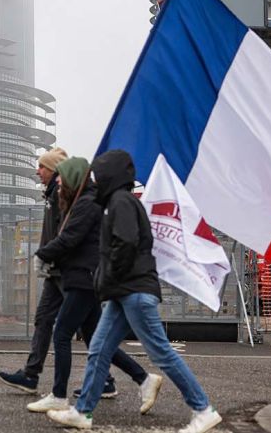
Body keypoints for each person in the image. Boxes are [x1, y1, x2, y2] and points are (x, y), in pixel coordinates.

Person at [47, 150, 222, 433]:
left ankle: (203, 409)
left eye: (99, 173)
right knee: (99, 350)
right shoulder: (118, 202)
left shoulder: (121, 202)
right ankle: (83, 412)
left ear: (110, 175)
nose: (95, 179)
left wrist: (107, 277)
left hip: (133, 291)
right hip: (124, 291)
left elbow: (125, 244)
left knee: (161, 353)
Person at [26, 157, 161, 414]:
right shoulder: (82, 202)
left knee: (62, 333)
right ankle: (143, 378)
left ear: (74, 177)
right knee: (98, 341)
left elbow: (69, 238)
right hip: (83, 278)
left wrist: (43, 254)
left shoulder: (87, 204)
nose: (57, 179)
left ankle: (58, 395)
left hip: (83, 279)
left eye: (61, 176)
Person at [0, 147, 68, 394]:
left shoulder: (62, 194)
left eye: (42, 167)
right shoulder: (51, 195)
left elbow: (67, 233)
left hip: (65, 271)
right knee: (43, 319)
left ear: (54, 170)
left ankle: (117, 379)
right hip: (55, 271)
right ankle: (30, 375)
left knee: (90, 328)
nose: (37, 171)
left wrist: (47, 255)